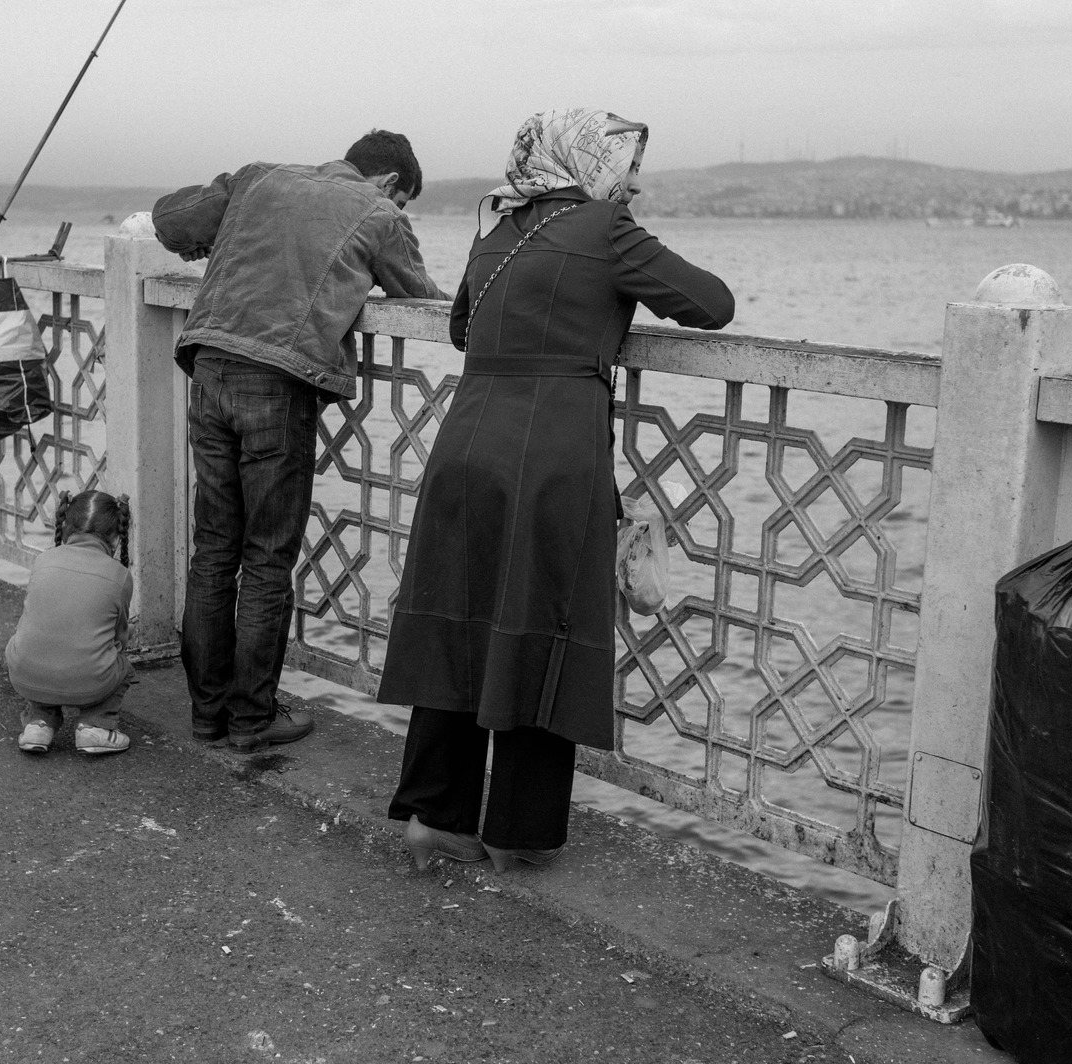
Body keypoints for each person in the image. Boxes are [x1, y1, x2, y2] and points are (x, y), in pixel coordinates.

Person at [376, 109, 735, 871]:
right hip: (551, 453)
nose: (634, 181)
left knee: (460, 624)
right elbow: (712, 304)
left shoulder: (497, 230)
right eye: (626, 164)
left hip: (468, 442)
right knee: (543, 626)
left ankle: (435, 816)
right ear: (589, 164)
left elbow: (462, 327)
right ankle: (518, 833)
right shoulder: (605, 228)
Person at [153, 130, 449, 754]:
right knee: (265, 560)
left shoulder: (260, 175)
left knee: (213, 551)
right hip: (276, 385)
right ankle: (251, 719)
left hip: (207, 366)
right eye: (406, 203)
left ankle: (207, 714)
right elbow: (424, 299)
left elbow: (171, 220)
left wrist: (220, 238)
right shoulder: (377, 213)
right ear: (392, 184)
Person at [6, 490, 135, 756]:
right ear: (115, 536)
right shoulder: (119, 575)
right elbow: (119, 639)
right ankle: (96, 725)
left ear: (65, 527)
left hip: (24, 672)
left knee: (41, 645)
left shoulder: (42, 560)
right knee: (124, 667)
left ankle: (38, 723)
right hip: (90, 682)